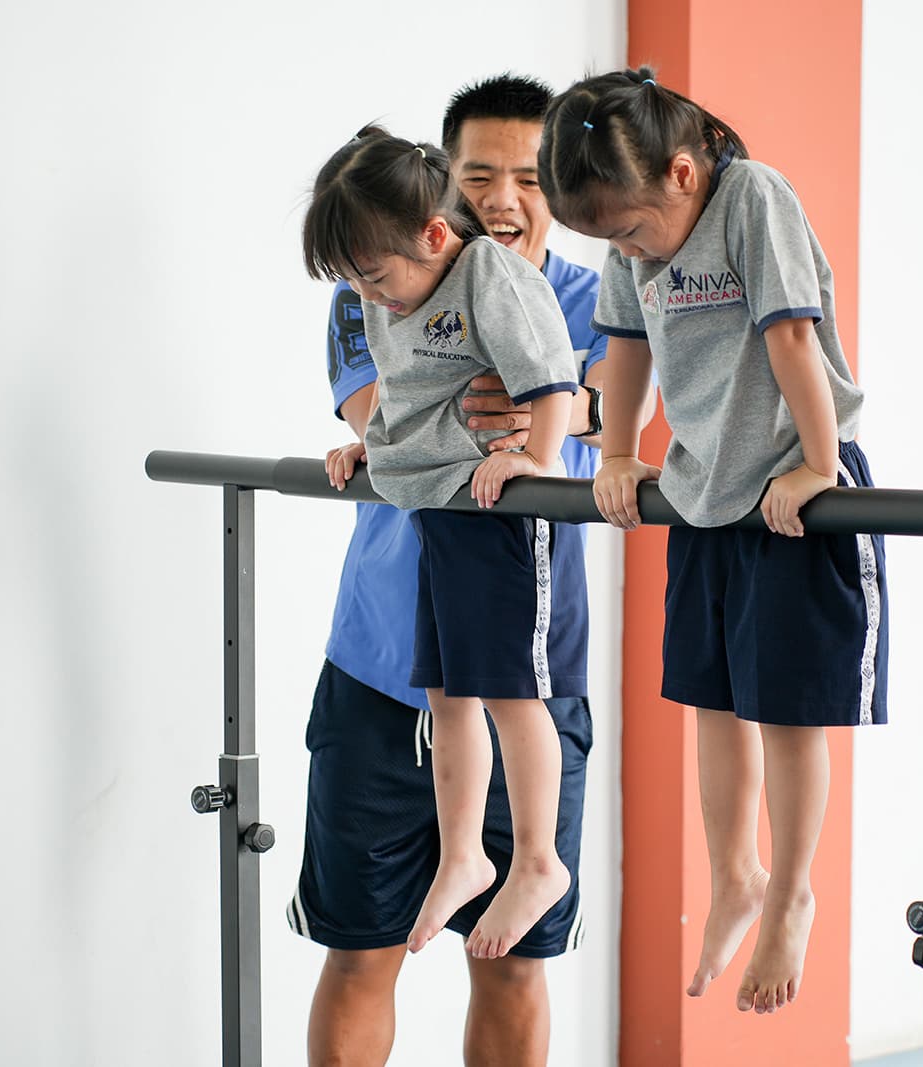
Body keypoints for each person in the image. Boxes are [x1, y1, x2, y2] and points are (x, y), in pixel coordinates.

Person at [290, 75, 638, 1067]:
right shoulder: (379, 283)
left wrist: (558, 403)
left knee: (512, 961)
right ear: (441, 189)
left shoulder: (595, 300)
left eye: (530, 177)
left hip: (526, 654)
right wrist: (534, 403)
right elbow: (379, 421)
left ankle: (514, 857)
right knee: (360, 948)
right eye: (477, 173)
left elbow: (628, 418)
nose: (502, 198)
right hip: (380, 660)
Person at [539, 67, 889, 1016]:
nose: (626, 247)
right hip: (702, 493)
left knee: (785, 707)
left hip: (792, 480)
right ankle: (734, 872)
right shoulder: (632, 232)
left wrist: (817, 464)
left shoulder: (751, 198)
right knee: (712, 695)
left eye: (631, 228)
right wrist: (617, 450)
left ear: (685, 173)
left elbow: (792, 340)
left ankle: (790, 890)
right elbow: (627, 351)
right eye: (608, 236)